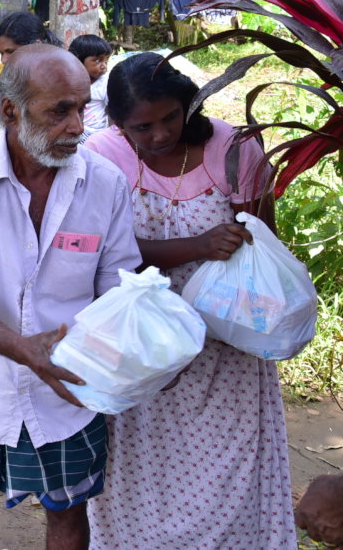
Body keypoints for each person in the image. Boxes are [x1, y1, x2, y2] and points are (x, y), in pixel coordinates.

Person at [0, 44, 141, 550]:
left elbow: (117, 289)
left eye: (82, 107)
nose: (77, 126)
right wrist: (23, 349)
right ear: (9, 111)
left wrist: (136, 352)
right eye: (59, 111)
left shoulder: (105, 184)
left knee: (68, 503)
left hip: (68, 385)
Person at [84, 52, 295, 548]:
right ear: (117, 124)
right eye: (142, 127)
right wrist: (197, 247)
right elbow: (98, 252)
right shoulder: (99, 156)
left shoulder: (232, 147)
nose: (160, 135)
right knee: (143, 470)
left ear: (190, 105)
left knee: (230, 469)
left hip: (227, 345)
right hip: (143, 347)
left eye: (171, 118)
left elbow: (262, 237)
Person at [0, 11, 62, 136]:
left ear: (36, 46)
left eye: (11, 51)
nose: (3, 60)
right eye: (1, 53)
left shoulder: (63, 86)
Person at [67, 34, 112, 139]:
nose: (104, 66)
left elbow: (112, 111)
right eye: (98, 60)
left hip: (95, 134)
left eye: (106, 60)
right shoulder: (69, 81)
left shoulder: (104, 84)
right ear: (78, 61)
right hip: (74, 131)